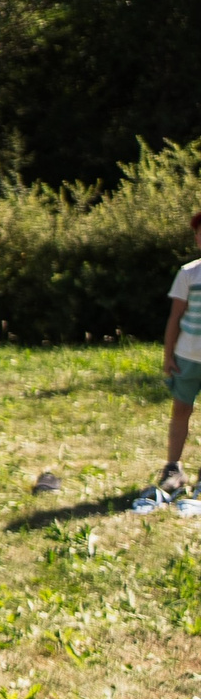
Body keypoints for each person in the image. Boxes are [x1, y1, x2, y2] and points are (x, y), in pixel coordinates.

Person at [160, 211, 201, 497]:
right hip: (187, 356)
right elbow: (175, 318)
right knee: (181, 410)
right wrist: (168, 356)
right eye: (198, 233)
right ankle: (173, 468)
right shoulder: (188, 273)